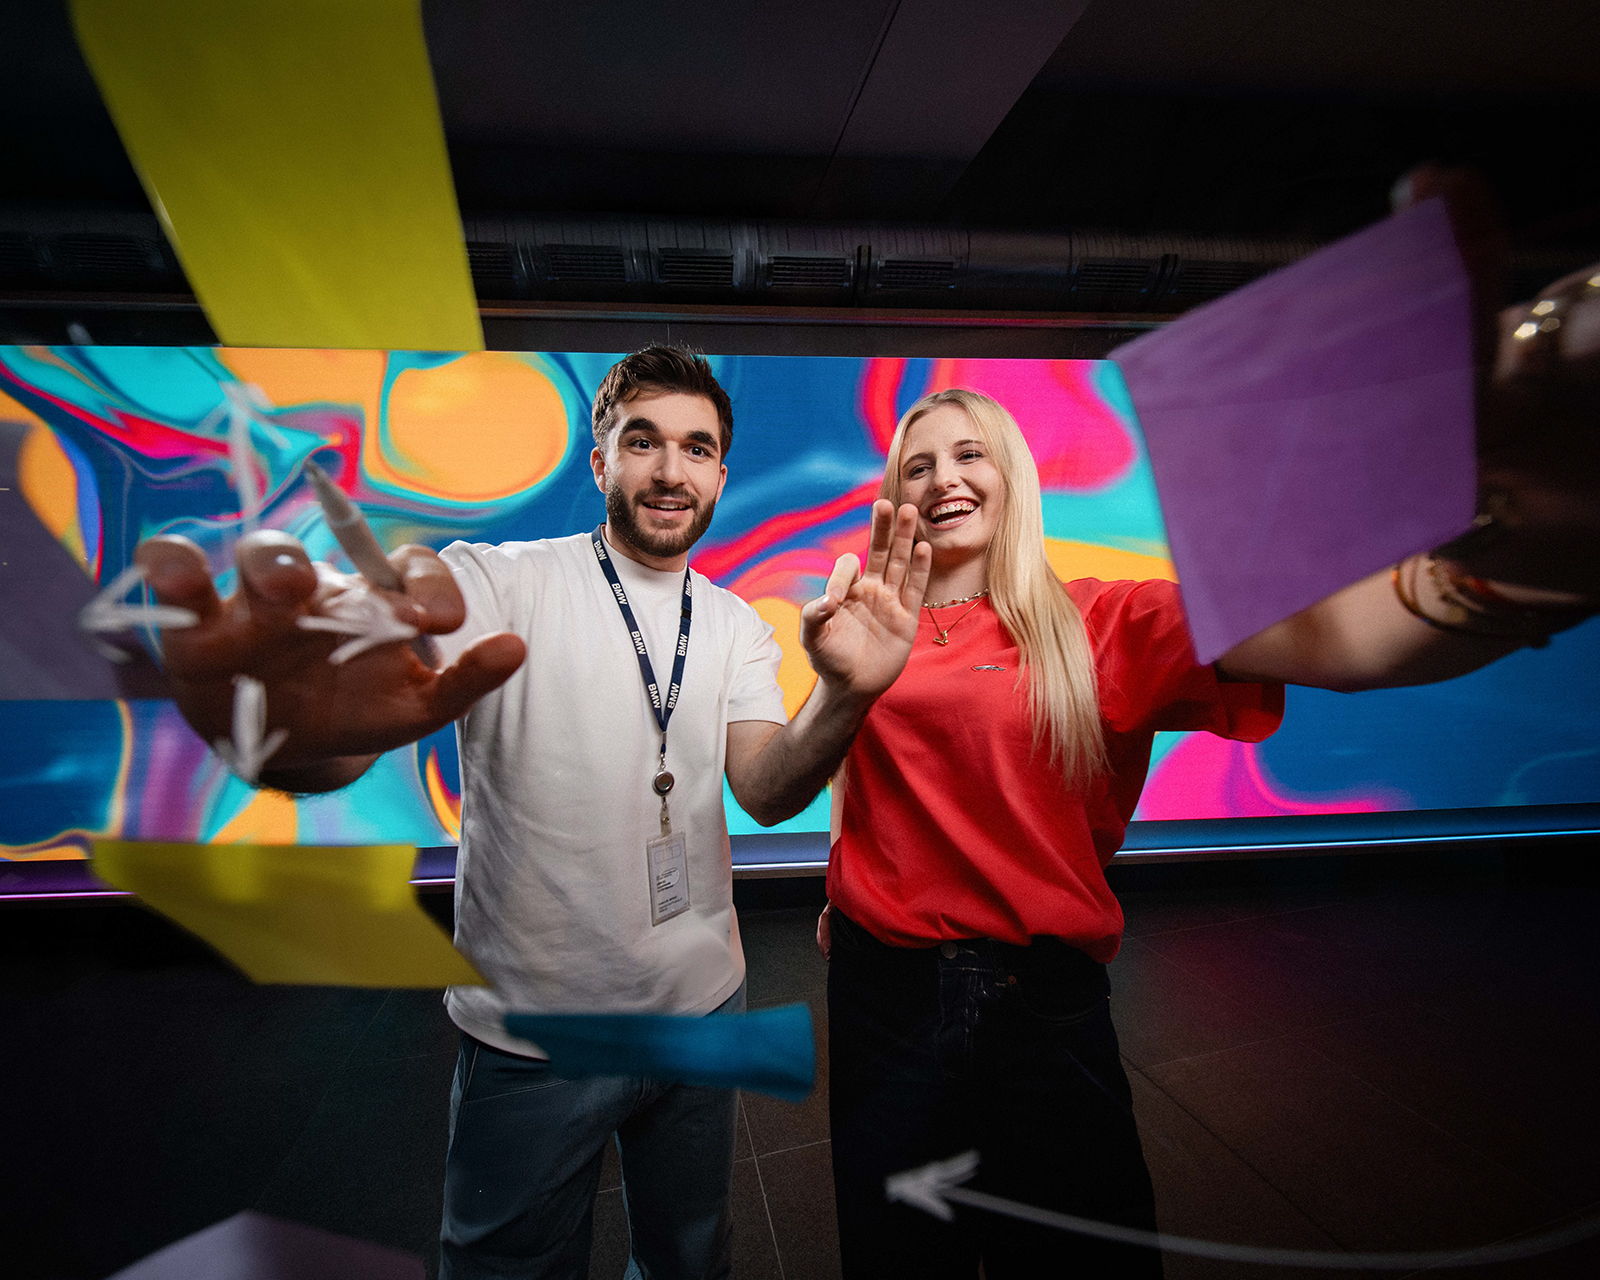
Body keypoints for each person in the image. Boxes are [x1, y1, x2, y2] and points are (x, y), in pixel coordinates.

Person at [134, 345, 931, 1280]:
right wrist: (294, 742)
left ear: (721, 473)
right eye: (643, 441)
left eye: (697, 448)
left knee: (690, 1259)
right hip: (536, 1033)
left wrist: (844, 695)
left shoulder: (734, 626)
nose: (671, 470)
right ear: (601, 461)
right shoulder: (496, 582)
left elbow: (765, 787)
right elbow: (358, 724)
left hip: (702, 1008)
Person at [818, 371, 1598, 1274]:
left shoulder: (1104, 620)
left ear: (1013, 476)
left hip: (1038, 1005)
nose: (944, 478)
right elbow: (854, 765)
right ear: (895, 495)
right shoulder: (867, 625)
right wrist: (844, 878)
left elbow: (1351, 642)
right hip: (882, 1000)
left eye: (969, 453)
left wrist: (1537, 560)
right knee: (897, 1258)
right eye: (917, 465)